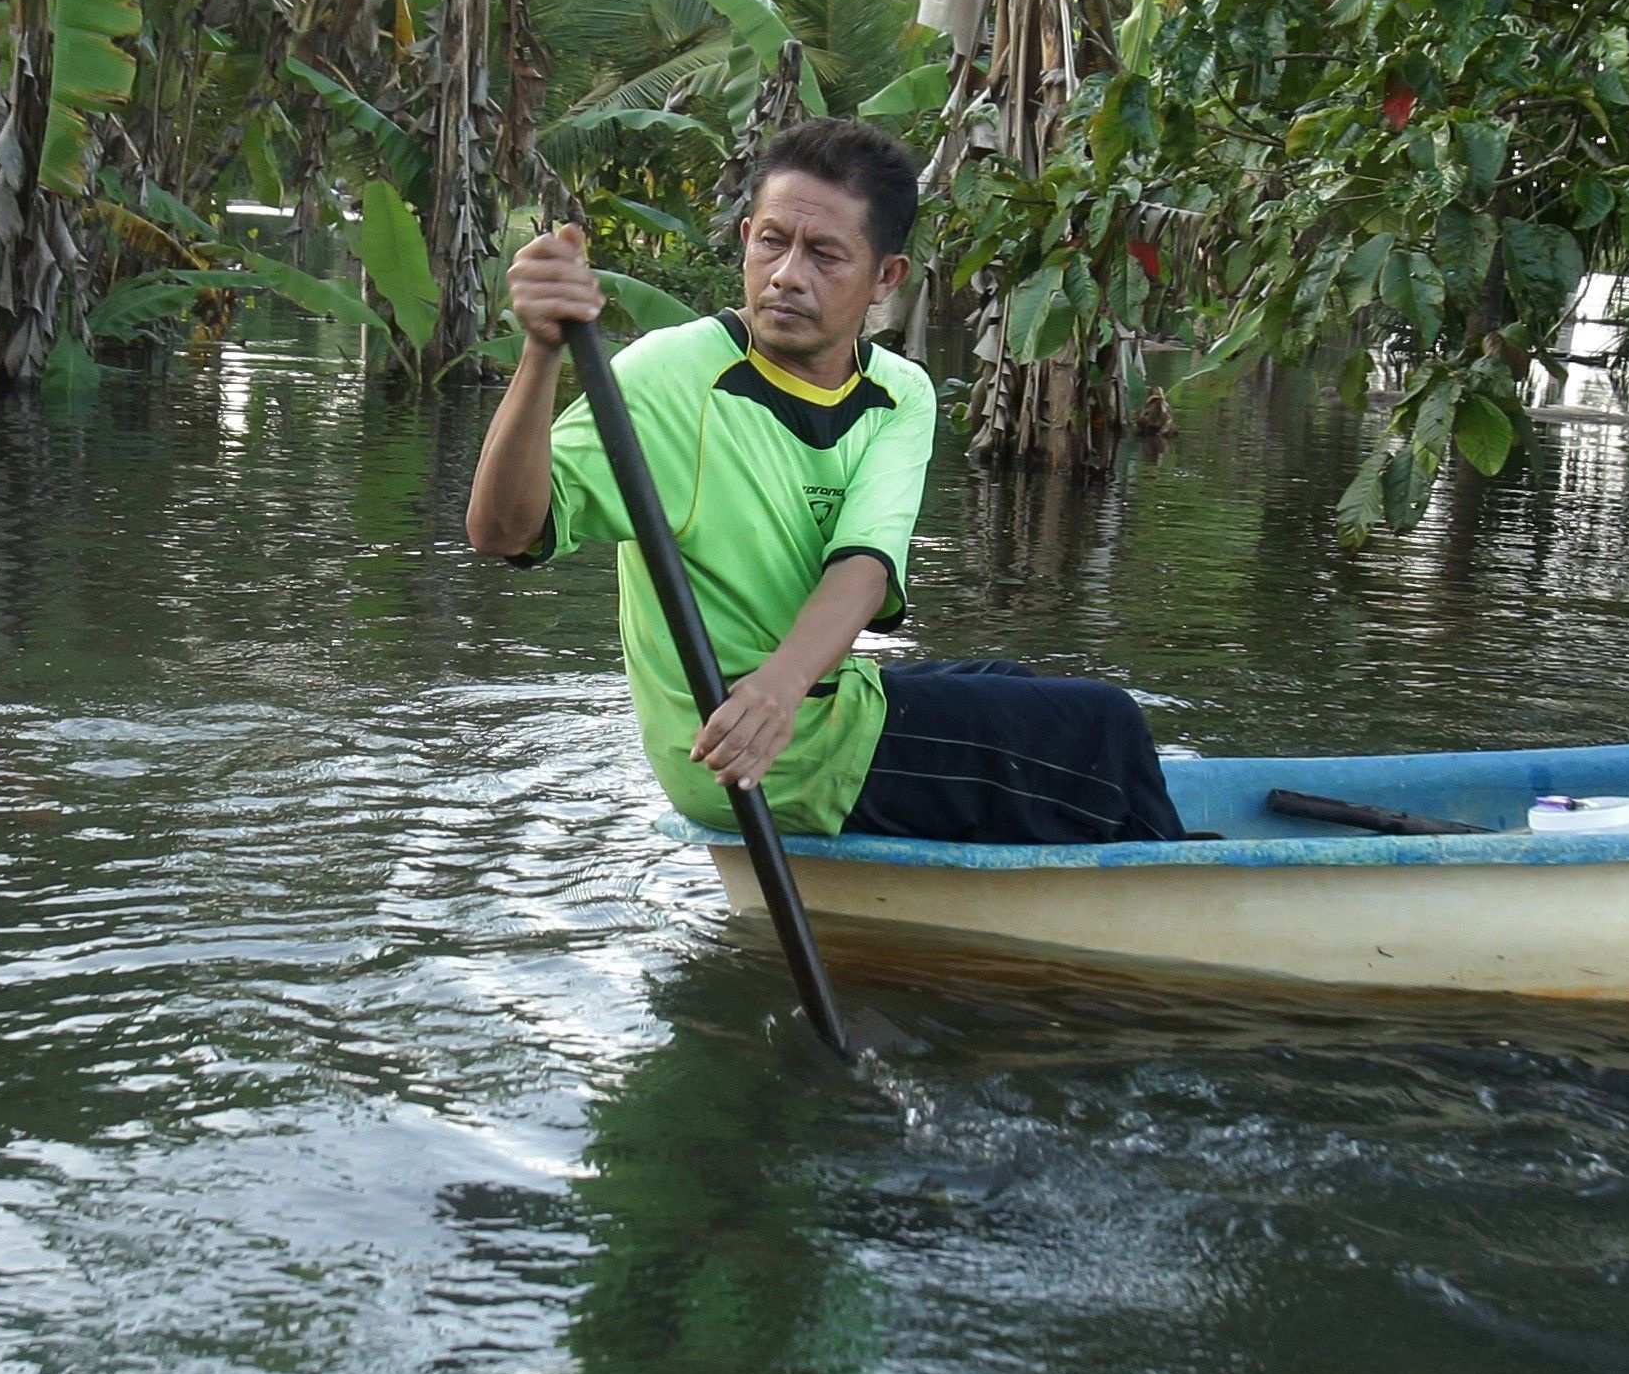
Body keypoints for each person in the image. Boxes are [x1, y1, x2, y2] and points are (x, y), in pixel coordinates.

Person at [462, 116, 1186, 845]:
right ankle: (1169, 888)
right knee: (1106, 721)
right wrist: (541, 356)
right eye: (772, 242)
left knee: (1018, 685)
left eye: (825, 254)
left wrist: (782, 684)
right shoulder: (669, 374)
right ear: (746, 238)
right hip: (744, 753)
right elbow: (501, 531)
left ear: (886, 278)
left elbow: (865, 567)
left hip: (809, 705)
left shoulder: (899, 392)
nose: (787, 275)